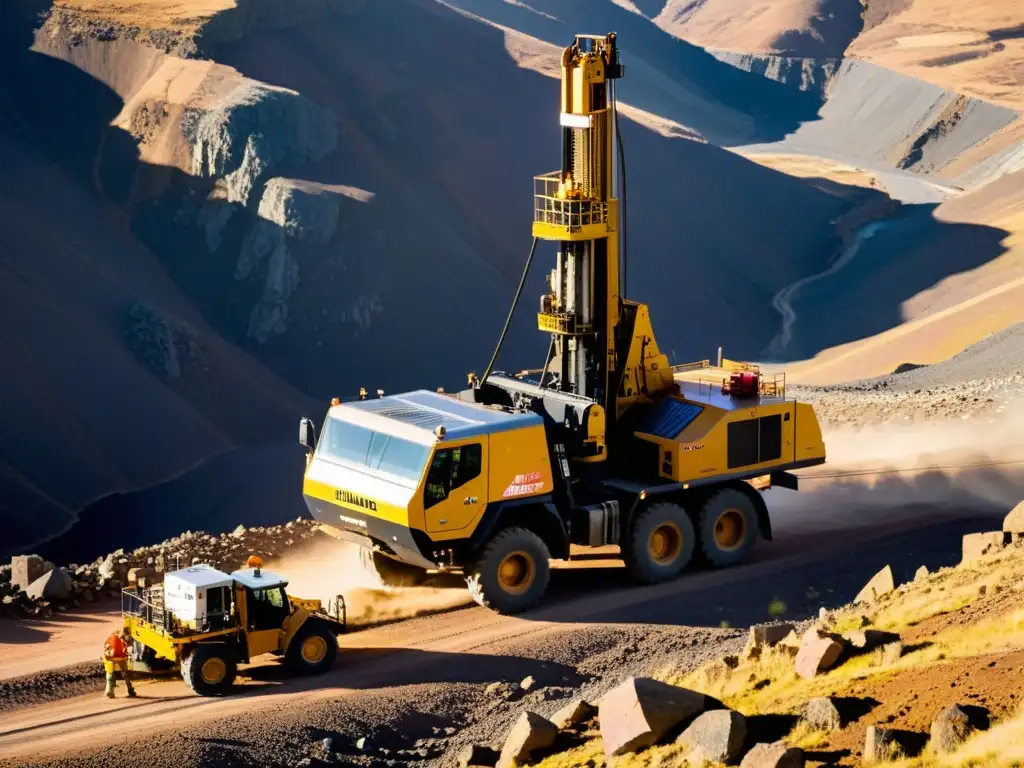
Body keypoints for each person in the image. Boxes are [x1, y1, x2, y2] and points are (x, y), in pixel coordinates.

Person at [103, 626, 137, 699]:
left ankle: (110, 691)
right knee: (124, 673)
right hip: (118, 656)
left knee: (110, 673)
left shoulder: (112, 638)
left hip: (113, 657)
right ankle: (130, 689)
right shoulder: (117, 639)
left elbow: (107, 649)